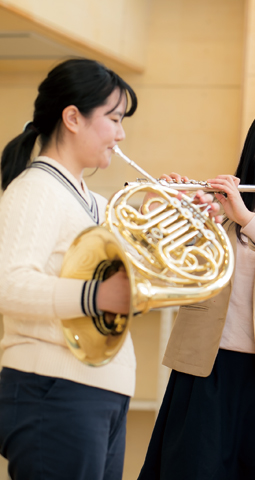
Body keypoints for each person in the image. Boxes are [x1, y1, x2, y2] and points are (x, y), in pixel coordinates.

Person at [138, 103, 255, 480]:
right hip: (207, 370)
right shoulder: (213, 210)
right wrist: (157, 209)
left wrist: (247, 219)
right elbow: (167, 268)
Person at [0, 58, 139, 480]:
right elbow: (7, 282)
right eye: (113, 119)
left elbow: (130, 279)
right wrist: (96, 297)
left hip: (97, 392)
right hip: (54, 389)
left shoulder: (92, 200)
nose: (121, 133)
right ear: (73, 118)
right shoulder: (35, 189)